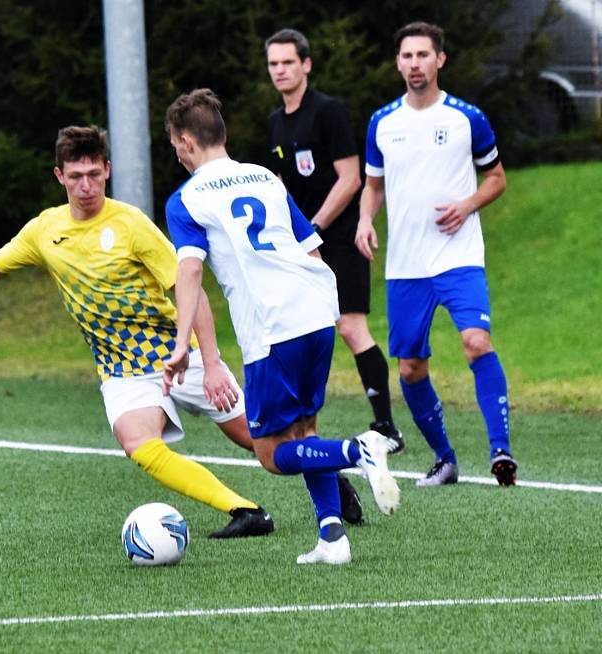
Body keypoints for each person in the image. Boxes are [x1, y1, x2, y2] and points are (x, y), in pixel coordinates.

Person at [0, 125, 274, 538]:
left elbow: (192, 290)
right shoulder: (45, 230)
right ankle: (246, 511)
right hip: (121, 370)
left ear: (108, 171)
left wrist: (211, 364)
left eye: (94, 175)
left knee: (263, 443)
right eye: (76, 176)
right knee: (140, 444)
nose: (86, 186)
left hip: (177, 355)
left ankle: (330, 480)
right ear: (59, 176)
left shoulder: (131, 223)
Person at [162, 88, 400, 565]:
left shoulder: (186, 199)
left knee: (271, 453)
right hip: (316, 309)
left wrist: (182, 343)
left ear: (186, 142)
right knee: (304, 429)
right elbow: (310, 245)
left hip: (271, 326)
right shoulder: (266, 179)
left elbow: (189, 272)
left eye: (175, 146)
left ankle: (360, 451)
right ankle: (332, 538)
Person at [356, 22, 517, 487]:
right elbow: (372, 186)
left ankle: (501, 450)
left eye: (423, 55)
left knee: (476, 342)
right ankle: (444, 459)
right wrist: (366, 220)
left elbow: (497, 178)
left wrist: (468, 205)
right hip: (405, 266)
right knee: (410, 366)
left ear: (440, 60)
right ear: (398, 63)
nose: (414, 64)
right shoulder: (382, 123)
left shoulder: (467, 118)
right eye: (407, 56)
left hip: (459, 256)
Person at [265, 29, 404, 457]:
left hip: (339, 237)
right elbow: (284, 185)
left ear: (306, 64)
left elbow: (351, 178)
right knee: (304, 328)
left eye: (288, 62)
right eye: (273, 64)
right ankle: (302, 423)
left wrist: (315, 226)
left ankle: (387, 427)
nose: (280, 71)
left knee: (350, 325)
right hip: (301, 243)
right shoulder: (275, 122)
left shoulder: (329, 112)